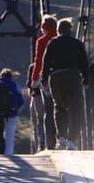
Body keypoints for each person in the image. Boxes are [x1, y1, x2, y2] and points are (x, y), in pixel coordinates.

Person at [42, 18, 89, 151]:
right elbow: (84, 63)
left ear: (58, 30)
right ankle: (72, 141)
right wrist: (86, 80)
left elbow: (46, 62)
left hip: (56, 78)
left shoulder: (52, 42)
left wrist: (45, 79)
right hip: (73, 77)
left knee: (59, 107)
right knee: (76, 109)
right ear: (70, 30)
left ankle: (61, 138)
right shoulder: (77, 43)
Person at [30, 14, 58, 150]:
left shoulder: (41, 41)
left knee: (48, 109)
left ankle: (49, 142)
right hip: (61, 77)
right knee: (60, 108)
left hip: (46, 79)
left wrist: (34, 79)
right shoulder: (61, 39)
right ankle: (62, 138)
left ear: (45, 28)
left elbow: (38, 61)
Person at [0, 68, 24, 155]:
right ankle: (9, 154)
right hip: (12, 114)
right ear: (11, 76)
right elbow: (21, 101)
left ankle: (0, 153)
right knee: (10, 136)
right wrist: (17, 112)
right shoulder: (15, 85)